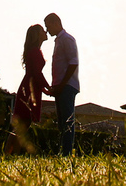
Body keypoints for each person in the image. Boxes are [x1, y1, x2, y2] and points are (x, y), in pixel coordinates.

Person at [5, 23, 51, 155]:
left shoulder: (34, 51)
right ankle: (9, 153)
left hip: (30, 86)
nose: (45, 32)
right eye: (42, 30)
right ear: (37, 35)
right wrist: (47, 88)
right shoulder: (35, 52)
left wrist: (45, 88)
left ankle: (11, 154)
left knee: (22, 126)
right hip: (30, 89)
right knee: (22, 125)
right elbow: (36, 73)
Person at [44, 12, 79, 156]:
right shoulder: (59, 40)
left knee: (67, 121)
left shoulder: (67, 39)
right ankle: (63, 151)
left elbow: (73, 63)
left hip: (67, 86)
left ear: (55, 23)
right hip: (60, 86)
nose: (47, 30)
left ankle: (67, 153)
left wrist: (62, 84)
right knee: (62, 122)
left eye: (48, 26)